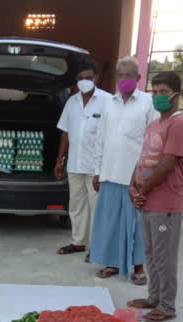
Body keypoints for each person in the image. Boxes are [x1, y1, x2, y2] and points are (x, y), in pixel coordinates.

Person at [126, 71, 183, 322]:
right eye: (155, 92)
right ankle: (153, 297)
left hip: (165, 203)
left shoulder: (179, 124)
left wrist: (142, 191)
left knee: (165, 256)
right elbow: (143, 158)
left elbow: (166, 165)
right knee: (151, 253)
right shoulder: (154, 124)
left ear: (176, 94)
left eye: (163, 92)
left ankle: (167, 305)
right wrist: (133, 187)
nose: (158, 97)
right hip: (147, 200)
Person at [90, 56, 158, 283]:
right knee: (110, 220)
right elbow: (100, 137)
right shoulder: (109, 102)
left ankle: (138, 267)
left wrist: (146, 174)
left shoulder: (148, 103)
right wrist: (97, 170)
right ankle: (112, 263)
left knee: (137, 223)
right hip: (109, 171)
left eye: (129, 75)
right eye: (120, 75)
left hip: (135, 175)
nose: (124, 80)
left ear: (138, 78)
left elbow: (153, 140)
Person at [54, 57, 111, 258]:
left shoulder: (107, 101)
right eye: (80, 78)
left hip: (97, 167)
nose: (84, 81)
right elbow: (65, 133)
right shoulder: (72, 101)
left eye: (88, 77)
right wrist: (59, 159)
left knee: (96, 207)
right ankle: (78, 242)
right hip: (75, 163)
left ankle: (96, 247)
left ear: (96, 77)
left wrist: (103, 169)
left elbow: (112, 136)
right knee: (76, 206)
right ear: (76, 80)